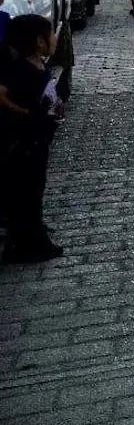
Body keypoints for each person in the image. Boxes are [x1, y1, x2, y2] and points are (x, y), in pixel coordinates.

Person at [0, 15, 62, 264]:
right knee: (26, 189)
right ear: (39, 41)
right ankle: (26, 244)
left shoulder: (39, 65)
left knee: (36, 187)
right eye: (51, 34)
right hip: (25, 140)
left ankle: (33, 231)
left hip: (39, 138)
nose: (54, 38)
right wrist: (26, 113)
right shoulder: (21, 69)